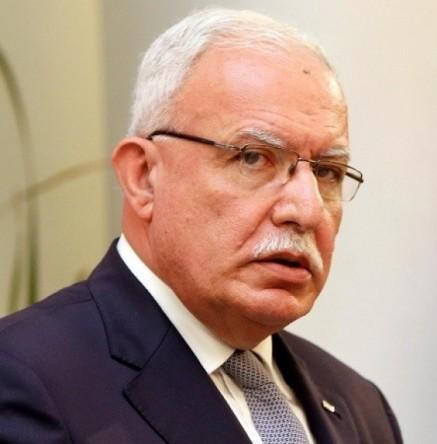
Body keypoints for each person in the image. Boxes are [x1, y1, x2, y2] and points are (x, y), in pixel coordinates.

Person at [0, 8, 402, 443]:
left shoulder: (361, 406)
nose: (307, 210)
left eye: (326, 172)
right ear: (143, 177)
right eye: (253, 158)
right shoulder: (26, 379)